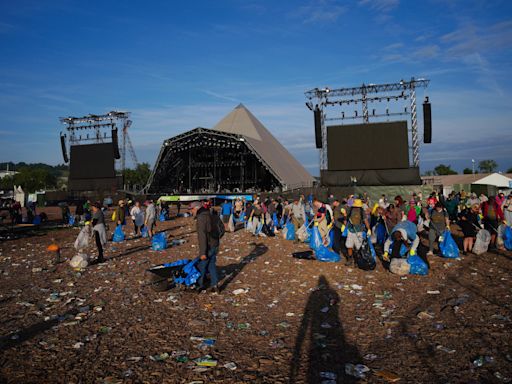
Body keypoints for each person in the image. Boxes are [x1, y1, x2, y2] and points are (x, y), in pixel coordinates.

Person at [190, 201, 220, 293]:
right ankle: (215, 285)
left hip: (208, 246)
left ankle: (199, 286)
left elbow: (202, 236)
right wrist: (216, 239)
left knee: (201, 265)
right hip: (215, 244)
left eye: (191, 209)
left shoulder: (201, 218)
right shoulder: (211, 214)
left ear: (197, 208)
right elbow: (221, 229)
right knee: (211, 265)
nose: (191, 212)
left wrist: (203, 252)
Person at [344, 198, 371, 265]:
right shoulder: (350, 210)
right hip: (350, 230)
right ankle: (350, 259)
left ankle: (358, 260)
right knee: (349, 246)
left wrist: (369, 229)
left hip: (359, 231)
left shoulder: (362, 211)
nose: (356, 207)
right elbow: (346, 219)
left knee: (358, 247)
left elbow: (365, 221)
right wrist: (345, 225)